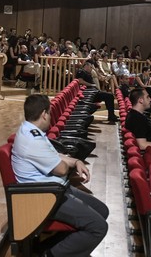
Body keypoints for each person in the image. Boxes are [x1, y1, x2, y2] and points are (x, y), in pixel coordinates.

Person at [11, 94, 109, 257]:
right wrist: (67, 162)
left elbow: (56, 157)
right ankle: (51, 255)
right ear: (44, 114)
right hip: (44, 196)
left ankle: (47, 248)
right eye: (49, 112)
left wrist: (76, 160)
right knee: (98, 227)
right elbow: (61, 169)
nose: (50, 116)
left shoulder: (31, 131)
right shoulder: (32, 140)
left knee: (102, 210)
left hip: (55, 189)